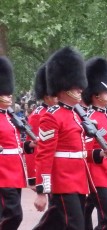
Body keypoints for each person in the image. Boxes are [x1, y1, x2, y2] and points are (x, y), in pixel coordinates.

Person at [33, 47, 90, 230]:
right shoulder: (52, 116)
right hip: (63, 181)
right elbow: (45, 154)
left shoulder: (76, 115)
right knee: (75, 226)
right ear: (64, 87)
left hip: (79, 180)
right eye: (76, 86)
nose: (81, 89)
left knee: (56, 223)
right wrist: (43, 190)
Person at [82, 57, 107, 230]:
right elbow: (85, 152)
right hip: (98, 177)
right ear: (96, 94)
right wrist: (101, 153)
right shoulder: (91, 119)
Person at [0, 56, 35, 229]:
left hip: (14, 172)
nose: (9, 96)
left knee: (10, 215)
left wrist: (29, 146)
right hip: (2, 173)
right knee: (13, 215)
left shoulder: (9, 116)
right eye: (5, 93)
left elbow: (13, 144)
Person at [26, 64, 58, 188]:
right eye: (54, 96)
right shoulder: (37, 115)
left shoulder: (59, 113)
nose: (57, 98)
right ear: (46, 97)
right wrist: (33, 178)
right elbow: (32, 147)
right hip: (46, 168)